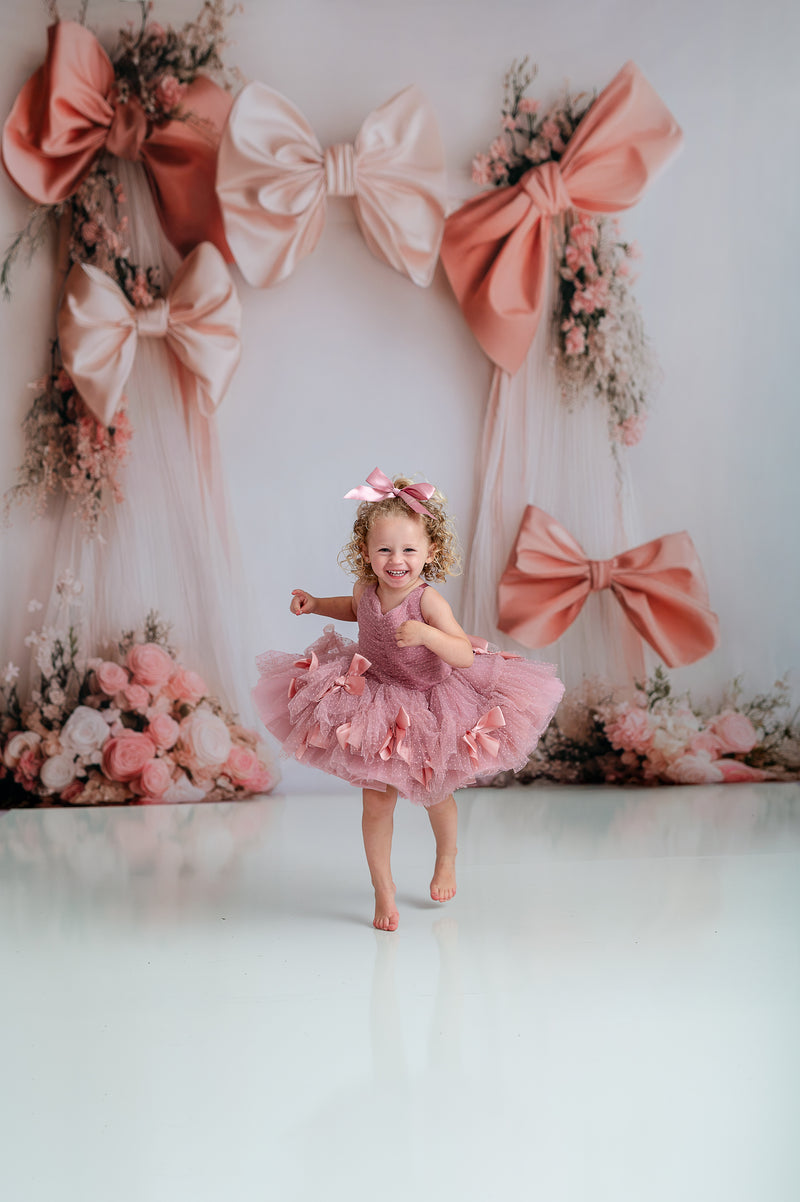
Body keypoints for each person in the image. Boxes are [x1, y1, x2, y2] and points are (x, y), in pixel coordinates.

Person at [252, 469, 564, 931]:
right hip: (375, 696)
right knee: (376, 802)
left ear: (430, 553)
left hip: (430, 701)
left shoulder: (428, 602)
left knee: (435, 793)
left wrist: (427, 634)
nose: (396, 559)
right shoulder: (366, 590)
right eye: (384, 550)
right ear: (366, 553)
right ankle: (384, 888)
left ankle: (447, 856)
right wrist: (316, 603)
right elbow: (352, 607)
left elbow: (461, 653)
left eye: (409, 550)